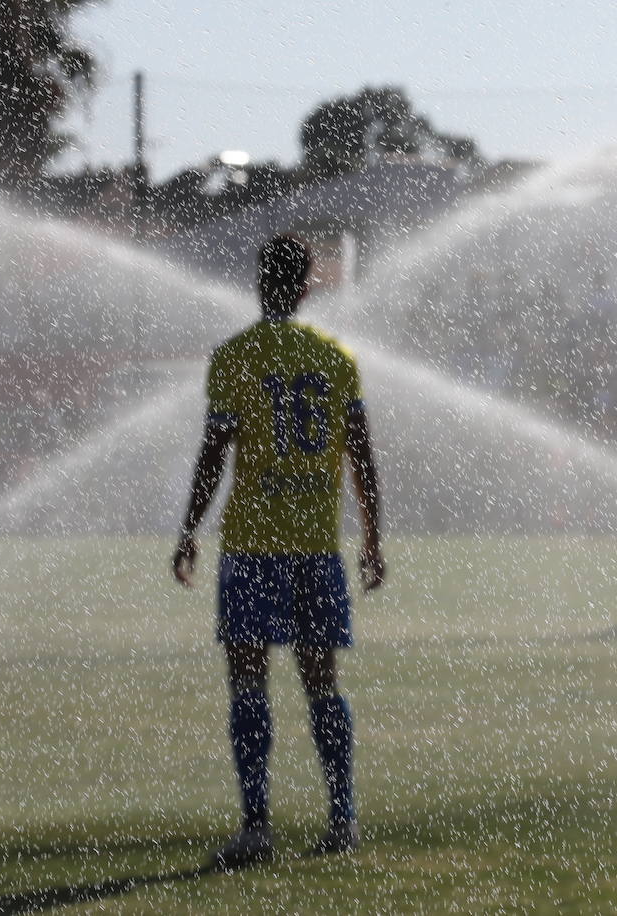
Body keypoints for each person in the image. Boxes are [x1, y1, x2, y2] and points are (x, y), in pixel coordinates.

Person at [172, 235, 387, 870]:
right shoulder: (337, 357)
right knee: (322, 681)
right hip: (317, 547)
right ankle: (342, 819)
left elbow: (215, 453)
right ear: (306, 288)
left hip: (252, 545)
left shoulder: (234, 357)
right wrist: (373, 536)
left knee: (248, 681)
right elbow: (363, 458)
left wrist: (188, 528)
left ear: (258, 284)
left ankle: (257, 827)